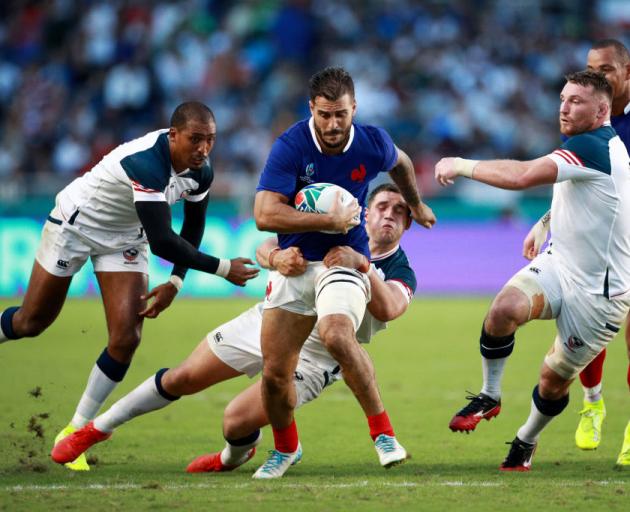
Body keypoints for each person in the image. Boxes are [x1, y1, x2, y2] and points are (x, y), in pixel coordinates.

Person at [51, 184, 417, 474]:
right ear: (366, 213)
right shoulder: (334, 225)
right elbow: (266, 246)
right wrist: (275, 258)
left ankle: (230, 458)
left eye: (400, 211)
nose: (390, 215)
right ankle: (95, 429)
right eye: (383, 206)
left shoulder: (401, 270)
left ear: (408, 224)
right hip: (270, 320)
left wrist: (363, 265)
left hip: (315, 357)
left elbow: (391, 307)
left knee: (235, 422)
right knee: (183, 377)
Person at [0, 101, 259, 471]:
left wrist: (175, 280)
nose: (203, 148)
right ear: (174, 136)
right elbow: (163, 241)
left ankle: (75, 432)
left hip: (125, 237)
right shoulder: (147, 162)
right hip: (77, 223)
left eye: (210, 140)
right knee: (32, 322)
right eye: (195, 139)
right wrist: (222, 268)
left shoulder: (201, 171)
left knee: (126, 338)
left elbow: (192, 228)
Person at [435, 70, 630, 470]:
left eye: (575, 100)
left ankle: (526, 438)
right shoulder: (594, 147)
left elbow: (523, 175)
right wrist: (544, 223)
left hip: (600, 295)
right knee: (503, 310)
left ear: (602, 109)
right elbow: (585, 192)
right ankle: (490, 395)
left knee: (552, 380)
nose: (563, 106)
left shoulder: (595, 146)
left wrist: (460, 163)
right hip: (561, 263)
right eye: (562, 98)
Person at [253, 66, 435, 478]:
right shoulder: (291, 146)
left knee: (336, 333)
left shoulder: (371, 143)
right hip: (296, 262)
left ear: (354, 108)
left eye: (341, 114)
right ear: (311, 110)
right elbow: (264, 214)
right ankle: (285, 449)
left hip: (345, 257)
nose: (333, 125)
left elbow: (402, 163)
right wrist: (324, 220)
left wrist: (417, 204)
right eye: (324, 115)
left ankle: (384, 434)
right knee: (275, 373)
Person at [524, 39, 630, 465]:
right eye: (590, 67)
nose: (597, 76)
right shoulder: (586, 120)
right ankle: (593, 402)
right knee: (585, 317)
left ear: (626, 73)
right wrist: (545, 223)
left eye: (605, 68)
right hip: (597, 244)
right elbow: (571, 180)